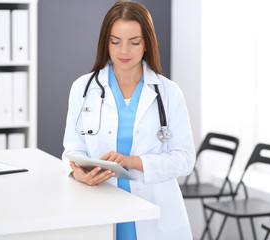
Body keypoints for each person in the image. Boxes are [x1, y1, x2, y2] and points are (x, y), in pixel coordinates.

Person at [62, 1, 195, 239]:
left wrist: (133, 161)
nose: (124, 51)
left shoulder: (169, 92)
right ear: (106, 43)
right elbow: (72, 150)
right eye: (115, 42)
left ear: (147, 44)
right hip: (101, 205)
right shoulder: (83, 88)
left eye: (134, 42)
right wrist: (76, 173)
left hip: (154, 213)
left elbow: (184, 159)